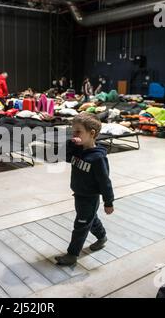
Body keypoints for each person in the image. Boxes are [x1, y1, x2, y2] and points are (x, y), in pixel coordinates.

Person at [55, 113, 115, 266]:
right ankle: (102, 237)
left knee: (81, 226)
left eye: (78, 131)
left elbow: (105, 182)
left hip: (90, 197)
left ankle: (72, 255)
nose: (74, 134)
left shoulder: (98, 158)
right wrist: (71, 143)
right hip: (79, 195)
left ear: (92, 133)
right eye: (73, 131)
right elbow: (65, 157)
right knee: (90, 218)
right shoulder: (78, 150)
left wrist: (109, 201)